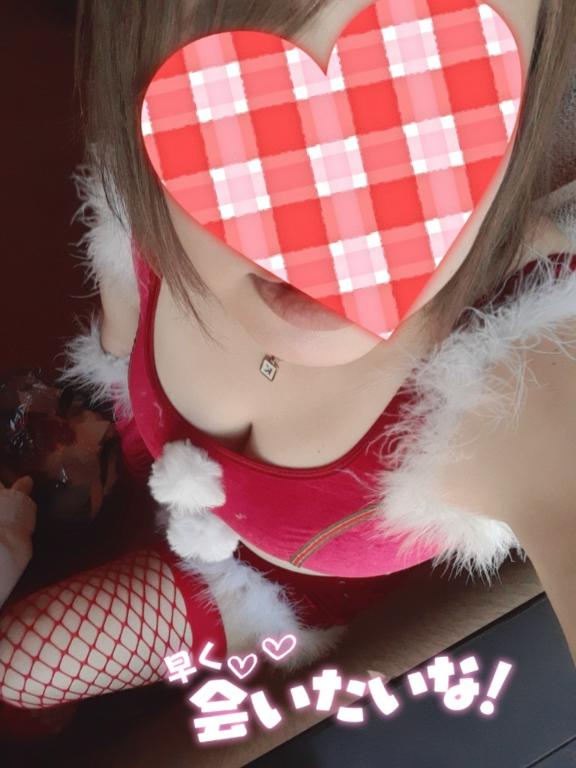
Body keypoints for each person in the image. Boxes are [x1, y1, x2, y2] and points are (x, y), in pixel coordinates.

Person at [1, 0, 575, 711]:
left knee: (17, 667)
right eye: (238, 102)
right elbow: (120, 326)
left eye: (428, 97)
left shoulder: (519, 375)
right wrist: (101, 386)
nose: (331, 226)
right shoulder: (145, 196)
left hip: (259, 590)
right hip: (146, 454)